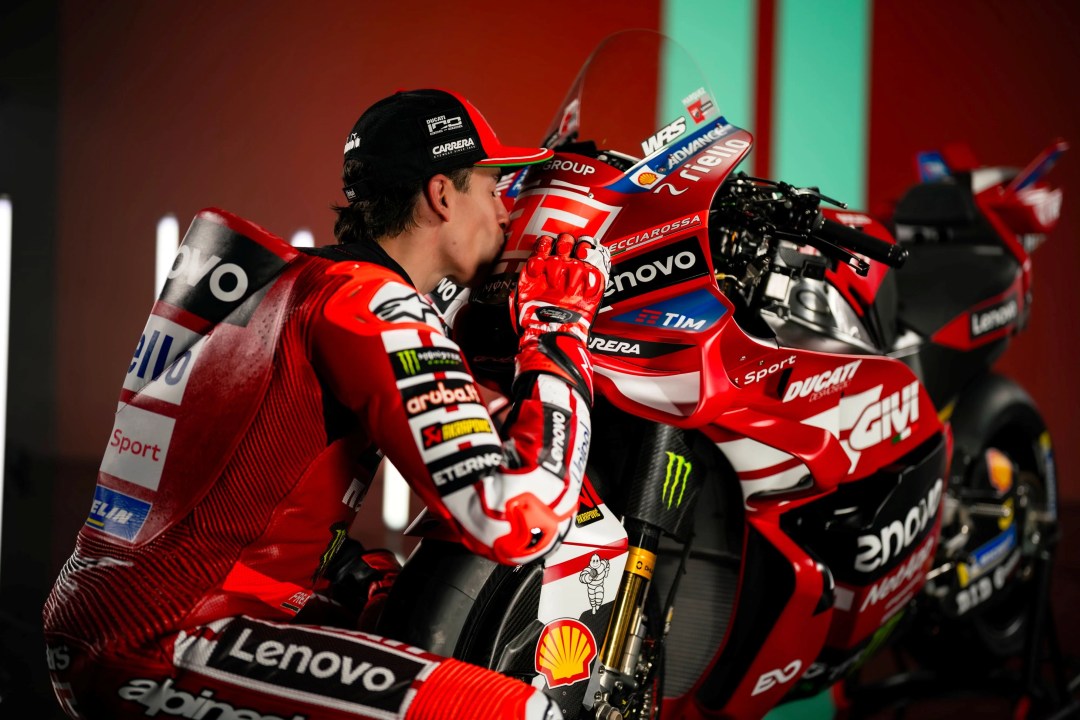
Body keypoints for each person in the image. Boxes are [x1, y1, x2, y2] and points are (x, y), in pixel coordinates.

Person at [43, 88, 611, 720]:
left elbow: (235, 486)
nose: (506, 213)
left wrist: (348, 569)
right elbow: (514, 518)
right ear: (442, 195)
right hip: (169, 637)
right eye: (491, 187)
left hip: (109, 614)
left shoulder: (291, 282)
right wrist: (559, 331)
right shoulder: (369, 303)